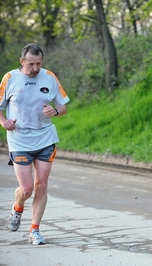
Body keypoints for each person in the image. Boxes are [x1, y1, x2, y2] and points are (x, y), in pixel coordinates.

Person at [0, 43, 70, 245]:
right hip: (19, 140)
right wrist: (5, 122)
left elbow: (63, 106)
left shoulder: (49, 76)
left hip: (45, 138)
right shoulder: (10, 78)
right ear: (22, 62)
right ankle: (17, 208)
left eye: (39, 63)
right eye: (31, 64)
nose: (36, 68)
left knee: (41, 185)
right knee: (27, 188)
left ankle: (35, 230)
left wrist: (55, 112)